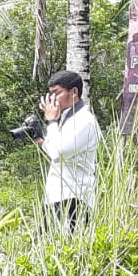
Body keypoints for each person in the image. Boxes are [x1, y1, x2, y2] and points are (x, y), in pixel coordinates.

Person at [35, 69, 101, 232]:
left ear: (74, 92)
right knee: (46, 247)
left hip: (74, 196)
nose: (52, 99)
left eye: (56, 93)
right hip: (57, 194)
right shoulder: (66, 116)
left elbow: (58, 153)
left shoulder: (84, 121)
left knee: (69, 249)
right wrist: (40, 140)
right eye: (50, 94)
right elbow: (55, 149)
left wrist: (51, 121)